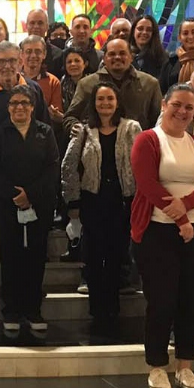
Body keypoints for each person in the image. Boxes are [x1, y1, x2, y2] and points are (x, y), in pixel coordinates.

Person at [131, 84, 194, 388]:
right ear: (164, 104)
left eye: (189, 108)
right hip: (158, 231)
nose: (182, 112)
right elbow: (147, 184)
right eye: (177, 105)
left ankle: (184, 365)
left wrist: (187, 205)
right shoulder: (148, 139)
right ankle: (157, 365)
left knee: (191, 301)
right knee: (162, 300)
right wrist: (180, 218)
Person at [62, 82, 139, 339]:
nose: (105, 104)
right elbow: (69, 166)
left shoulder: (131, 128)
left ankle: (113, 311)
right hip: (92, 200)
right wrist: (72, 202)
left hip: (123, 201)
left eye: (109, 99)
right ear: (93, 103)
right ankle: (97, 311)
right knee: (94, 258)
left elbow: (141, 164)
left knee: (117, 257)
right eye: (100, 99)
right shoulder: (84, 131)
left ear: (117, 101)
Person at [0, 85, 60, 339]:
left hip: (39, 205)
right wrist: (14, 195)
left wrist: (31, 194)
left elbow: (52, 167)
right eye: (14, 103)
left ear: (32, 106)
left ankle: (33, 309)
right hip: (8, 206)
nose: (19, 107)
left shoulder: (45, 132)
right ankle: (12, 310)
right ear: (8, 107)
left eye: (24, 103)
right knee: (11, 256)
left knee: (36, 256)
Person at [0, 41, 50, 279]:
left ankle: (30, 286)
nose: (7, 66)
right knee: (0, 233)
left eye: (12, 60)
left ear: (20, 62)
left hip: (33, 178)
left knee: (33, 234)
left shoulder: (33, 90)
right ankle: (3, 283)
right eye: (1, 61)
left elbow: (45, 131)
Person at [64, 38, 161, 131]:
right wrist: (81, 131)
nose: (117, 57)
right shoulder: (87, 84)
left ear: (131, 57)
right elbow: (70, 117)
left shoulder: (150, 84)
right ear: (104, 58)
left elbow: (159, 120)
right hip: (98, 144)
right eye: (112, 54)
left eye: (122, 53)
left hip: (138, 143)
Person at [19, 35, 62, 123]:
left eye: (38, 51)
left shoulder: (53, 82)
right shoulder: (14, 79)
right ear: (21, 54)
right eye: (28, 51)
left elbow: (57, 114)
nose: (33, 55)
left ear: (44, 54)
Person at [159, 18, 194, 93]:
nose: (190, 37)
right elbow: (163, 91)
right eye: (185, 33)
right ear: (179, 38)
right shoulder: (171, 62)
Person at [59, 48, 88, 117]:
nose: (73, 64)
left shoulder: (91, 83)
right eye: (69, 62)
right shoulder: (62, 83)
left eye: (77, 61)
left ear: (85, 64)